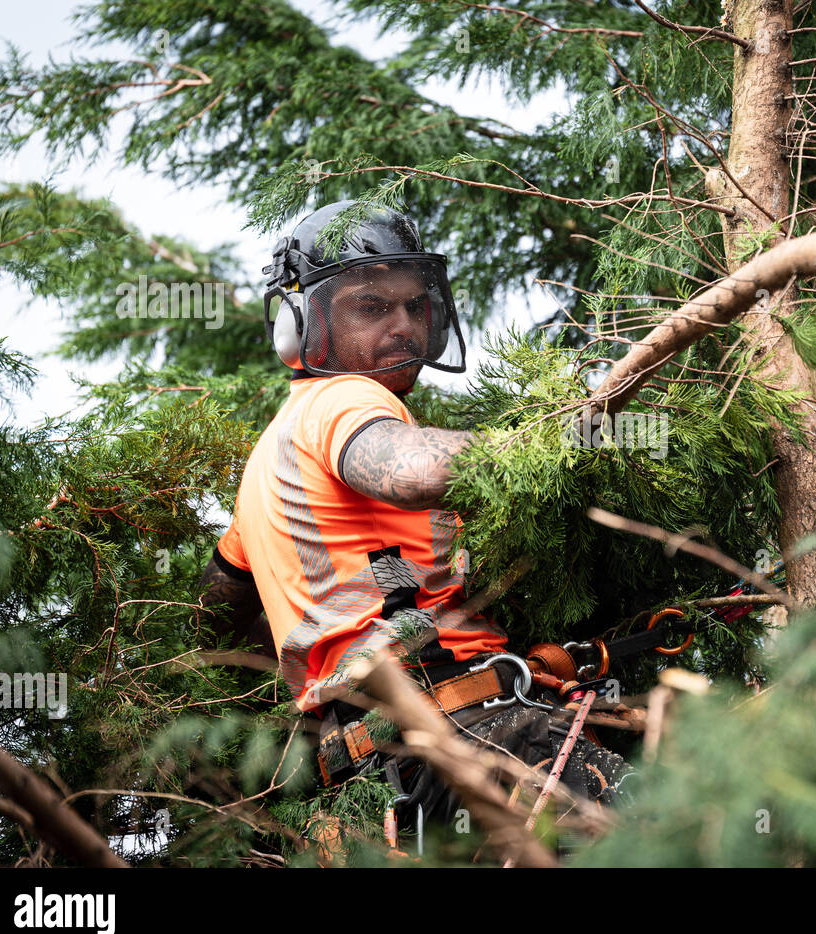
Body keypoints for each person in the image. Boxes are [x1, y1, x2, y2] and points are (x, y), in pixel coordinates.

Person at [196, 201, 632, 850]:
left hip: (367, 784)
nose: (402, 325)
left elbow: (213, 620)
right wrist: (554, 440)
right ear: (302, 324)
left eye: (413, 305)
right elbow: (413, 471)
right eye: (372, 306)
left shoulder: (270, 461)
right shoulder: (344, 398)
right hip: (462, 732)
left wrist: (327, 656)